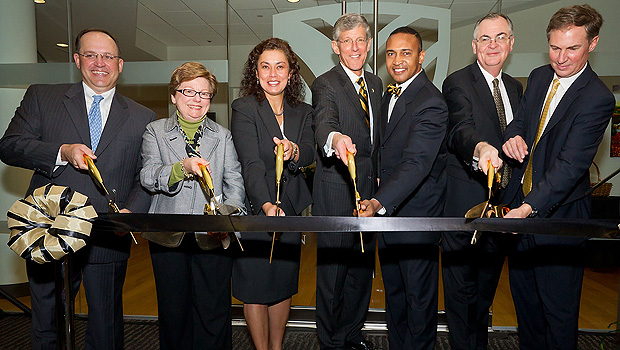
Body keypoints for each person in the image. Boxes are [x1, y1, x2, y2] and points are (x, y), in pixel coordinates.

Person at [0, 28, 155, 350]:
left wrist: (131, 213)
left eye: (108, 56)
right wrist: (62, 152)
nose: (100, 63)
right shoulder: (43, 97)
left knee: (106, 321)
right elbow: (10, 146)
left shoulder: (143, 116)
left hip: (108, 232)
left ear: (120, 64)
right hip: (50, 227)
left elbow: (145, 174)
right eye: (91, 54)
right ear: (77, 59)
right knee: (49, 317)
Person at [501, 5, 614, 350]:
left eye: (572, 48)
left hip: (559, 221)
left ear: (592, 43)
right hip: (520, 213)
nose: (561, 58)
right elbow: (521, 121)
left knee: (558, 316)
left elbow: (570, 166)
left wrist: (529, 207)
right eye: (554, 47)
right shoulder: (537, 77)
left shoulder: (598, 98)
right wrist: (513, 135)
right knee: (527, 312)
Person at [140, 62, 245, 350]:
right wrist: (181, 168)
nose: (197, 99)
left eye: (205, 93)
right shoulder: (155, 131)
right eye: (189, 91)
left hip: (212, 235)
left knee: (214, 312)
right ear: (174, 95)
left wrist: (227, 220)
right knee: (174, 314)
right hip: (168, 236)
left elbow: (234, 183)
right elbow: (148, 176)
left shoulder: (222, 135)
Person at [359, 26, 448, 350]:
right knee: (395, 295)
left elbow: (416, 164)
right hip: (391, 216)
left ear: (421, 57)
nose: (397, 60)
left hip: (416, 218)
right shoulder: (389, 93)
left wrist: (379, 201)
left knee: (418, 299)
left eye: (406, 52)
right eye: (391, 53)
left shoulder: (431, 103)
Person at [440, 13, 523, 350]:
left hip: (503, 208)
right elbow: (460, 127)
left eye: (500, 37)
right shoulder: (457, 82)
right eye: (485, 39)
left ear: (511, 44)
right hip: (465, 206)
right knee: (460, 292)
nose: (493, 45)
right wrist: (481, 148)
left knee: (486, 288)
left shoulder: (517, 89)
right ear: (474, 46)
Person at [230, 37, 314, 350]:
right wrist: (265, 204)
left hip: (290, 208)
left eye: (280, 66)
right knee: (254, 285)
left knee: (281, 283)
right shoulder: (245, 107)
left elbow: (310, 153)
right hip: (256, 207)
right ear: (256, 72)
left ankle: (276, 348)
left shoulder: (303, 111)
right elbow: (250, 162)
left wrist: (294, 151)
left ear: (292, 73)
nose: (273, 72)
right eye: (265, 66)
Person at [311, 13, 382, 350]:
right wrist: (336, 138)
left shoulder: (377, 84)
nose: (355, 48)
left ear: (368, 45)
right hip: (336, 190)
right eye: (347, 41)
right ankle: (330, 343)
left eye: (361, 40)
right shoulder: (326, 83)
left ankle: (351, 335)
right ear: (335, 46)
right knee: (333, 276)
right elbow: (324, 121)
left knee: (360, 272)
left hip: (369, 195)